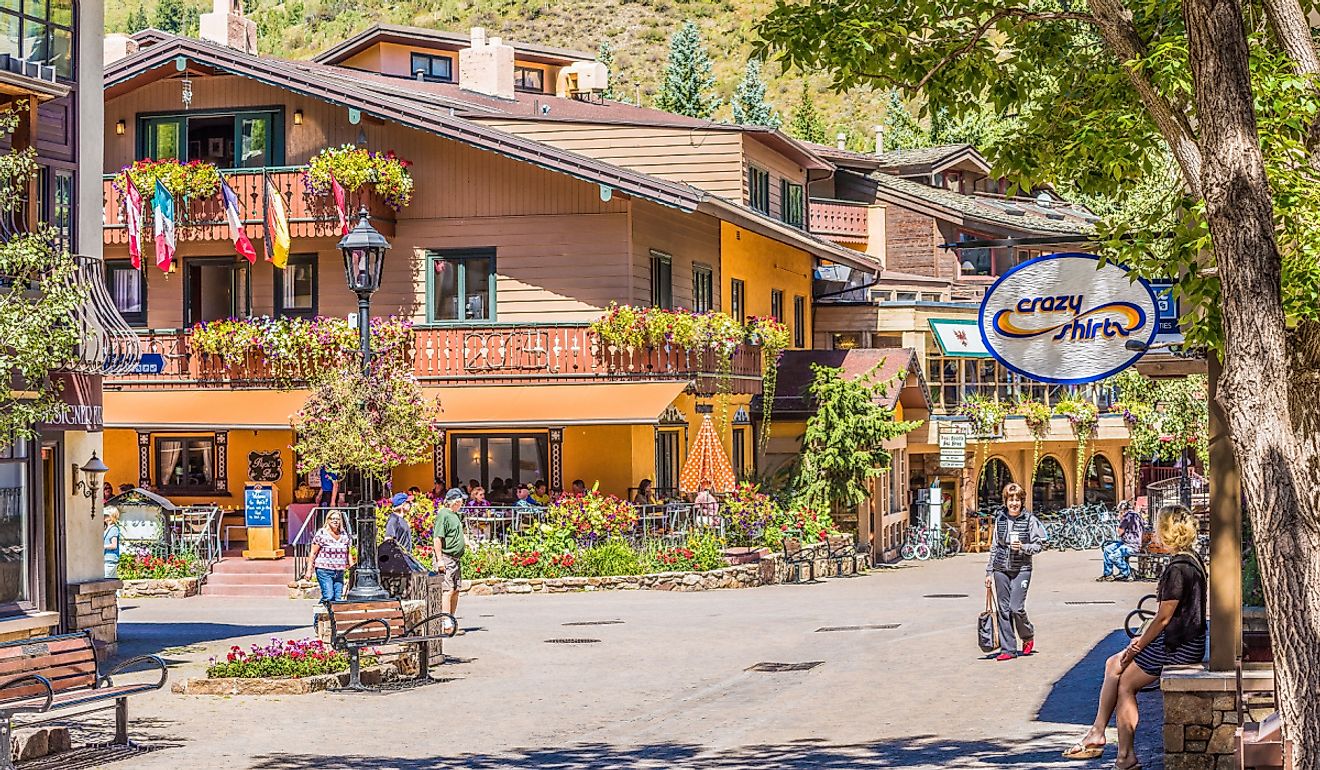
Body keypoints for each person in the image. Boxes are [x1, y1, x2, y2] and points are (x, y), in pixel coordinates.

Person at [1064, 505, 1206, 766]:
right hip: (1183, 640)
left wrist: (1138, 645)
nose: (1153, 533)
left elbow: (1163, 618)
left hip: (1179, 645)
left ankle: (1124, 755)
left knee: (1126, 684)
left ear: (1168, 532)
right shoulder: (1192, 561)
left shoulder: (1178, 569)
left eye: (1158, 527)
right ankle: (1098, 733)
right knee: (1112, 664)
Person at [984, 482, 1047, 661]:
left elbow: (1039, 545)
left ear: (1022, 501)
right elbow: (995, 545)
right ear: (1005, 501)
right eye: (1010, 499)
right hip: (1000, 568)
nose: (1014, 503)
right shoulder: (1000, 519)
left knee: (1016, 607)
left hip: (1022, 568)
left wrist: (1024, 547)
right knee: (1003, 609)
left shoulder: (1030, 520)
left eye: (1017, 500)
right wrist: (989, 572)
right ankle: (1008, 649)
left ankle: (1027, 635)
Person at [434, 489, 467, 636]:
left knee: (455, 590)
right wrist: (439, 559)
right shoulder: (443, 514)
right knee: (447, 590)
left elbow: (458, 534)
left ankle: (452, 621)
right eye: (460, 501)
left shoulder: (455, 515)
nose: (462, 504)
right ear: (455, 502)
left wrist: (468, 543)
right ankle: (446, 624)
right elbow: (437, 538)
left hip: (456, 558)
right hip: (447, 557)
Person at [304, 510, 354, 604]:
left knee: (337, 599)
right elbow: (313, 553)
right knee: (328, 596)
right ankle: (318, 616)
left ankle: (332, 618)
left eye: (338, 519)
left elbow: (348, 553)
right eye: (333, 519)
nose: (335, 521)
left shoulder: (343, 535)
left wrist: (352, 568)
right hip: (324, 570)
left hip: (339, 571)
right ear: (328, 520)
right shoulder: (322, 534)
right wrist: (309, 570)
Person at [1099, 501, 1144, 582]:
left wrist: (1120, 519)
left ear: (1123, 510)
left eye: (1120, 512)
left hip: (1131, 546)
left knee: (1113, 556)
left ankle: (1128, 573)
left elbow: (1120, 532)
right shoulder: (1137, 515)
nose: (1120, 513)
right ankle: (1108, 574)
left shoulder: (1126, 517)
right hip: (1130, 543)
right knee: (1107, 549)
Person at [102, 507, 121, 579]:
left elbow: (114, 545)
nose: (104, 516)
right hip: (106, 559)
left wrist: (102, 546)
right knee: (112, 582)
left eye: (106, 515)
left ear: (111, 517)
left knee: (105, 580)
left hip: (110, 560)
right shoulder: (106, 528)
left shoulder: (114, 529)